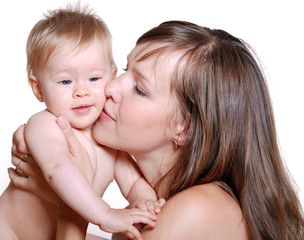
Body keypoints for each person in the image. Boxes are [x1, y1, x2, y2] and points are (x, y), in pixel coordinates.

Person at [8, 20, 304, 240]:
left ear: (183, 129)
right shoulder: (159, 207)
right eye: (124, 71)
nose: (109, 88)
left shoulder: (198, 209)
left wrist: (71, 210)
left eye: (139, 88)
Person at [0, 5, 164, 240]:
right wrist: (104, 213)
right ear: (38, 88)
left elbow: (133, 182)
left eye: (94, 78)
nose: (82, 91)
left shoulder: (108, 136)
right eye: (66, 81)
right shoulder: (45, 124)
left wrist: (144, 201)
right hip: (11, 231)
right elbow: (57, 168)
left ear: (112, 74)